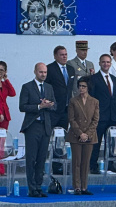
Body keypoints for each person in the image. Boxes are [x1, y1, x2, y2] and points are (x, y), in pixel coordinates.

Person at [18, 63, 56, 198]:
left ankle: (39, 187)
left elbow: (54, 105)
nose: (43, 75)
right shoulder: (27, 87)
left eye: (45, 72)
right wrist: (39, 106)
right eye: (41, 72)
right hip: (33, 126)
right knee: (31, 158)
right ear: (35, 72)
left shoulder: (49, 87)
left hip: (45, 126)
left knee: (41, 158)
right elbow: (22, 106)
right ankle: (31, 188)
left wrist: (49, 105)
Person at [89, 54, 116, 175]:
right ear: (99, 63)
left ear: (110, 63)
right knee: (96, 142)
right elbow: (92, 98)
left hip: (112, 116)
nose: (106, 64)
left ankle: (110, 165)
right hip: (100, 115)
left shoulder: (113, 78)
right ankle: (93, 165)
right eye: (103, 62)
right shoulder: (94, 78)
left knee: (111, 143)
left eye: (108, 62)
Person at [67, 76, 98, 195]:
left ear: (88, 87)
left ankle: (84, 186)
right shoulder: (73, 101)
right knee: (77, 162)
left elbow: (95, 120)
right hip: (76, 135)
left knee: (86, 162)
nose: (81, 88)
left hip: (89, 136)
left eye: (83, 86)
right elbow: (72, 119)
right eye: (80, 86)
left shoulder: (94, 101)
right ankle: (77, 187)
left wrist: (87, 134)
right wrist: (80, 133)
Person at [45, 45, 75, 132]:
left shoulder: (71, 69)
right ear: (55, 56)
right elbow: (46, 87)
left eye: (66, 54)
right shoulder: (49, 69)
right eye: (62, 55)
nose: (64, 56)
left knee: (62, 134)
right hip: (53, 109)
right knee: (50, 133)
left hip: (66, 109)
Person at [0, 61, 14, 171]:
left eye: (1, 70)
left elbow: (12, 93)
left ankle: (1, 167)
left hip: (5, 116)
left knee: (1, 142)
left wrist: (6, 80)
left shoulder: (4, 84)